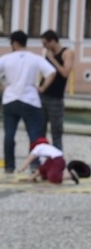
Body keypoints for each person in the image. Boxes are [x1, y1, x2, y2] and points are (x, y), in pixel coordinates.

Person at [1, 31, 56, 174]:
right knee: (34, 134)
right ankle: (35, 165)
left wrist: (2, 87)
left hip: (10, 98)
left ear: (14, 43)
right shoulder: (35, 58)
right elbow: (52, 72)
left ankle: (9, 166)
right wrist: (43, 87)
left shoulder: (6, 58)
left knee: (9, 134)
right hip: (31, 99)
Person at [40, 29, 74, 150]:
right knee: (40, 129)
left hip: (56, 97)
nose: (45, 47)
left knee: (56, 131)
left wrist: (53, 59)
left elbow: (65, 73)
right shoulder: (47, 53)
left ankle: (57, 158)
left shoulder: (67, 53)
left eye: (45, 43)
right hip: (43, 94)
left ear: (53, 41)